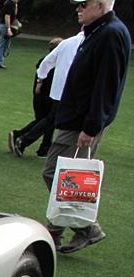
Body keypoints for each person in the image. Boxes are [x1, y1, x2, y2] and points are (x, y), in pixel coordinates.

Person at [42, 0, 130, 254]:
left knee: (59, 175)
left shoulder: (110, 34)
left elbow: (106, 84)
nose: (78, 8)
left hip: (83, 121)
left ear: (100, 6)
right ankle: (62, 230)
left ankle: (82, 228)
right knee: (63, 176)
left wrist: (91, 127)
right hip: (77, 118)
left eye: (83, 4)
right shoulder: (99, 32)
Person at [8, 35, 76, 158]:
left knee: (47, 121)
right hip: (48, 98)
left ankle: (43, 147)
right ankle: (22, 137)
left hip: (44, 98)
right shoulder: (54, 66)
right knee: (48, 120)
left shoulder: (47, 63)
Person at [0, 0, 16, 68]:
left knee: (3, 44)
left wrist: (16, 5)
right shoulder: (9, 4)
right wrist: (8, 29)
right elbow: (7, 17)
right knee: (3, 44)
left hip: (4, 26)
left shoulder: (12, 4)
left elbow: (15, 14)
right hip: (5, 26)